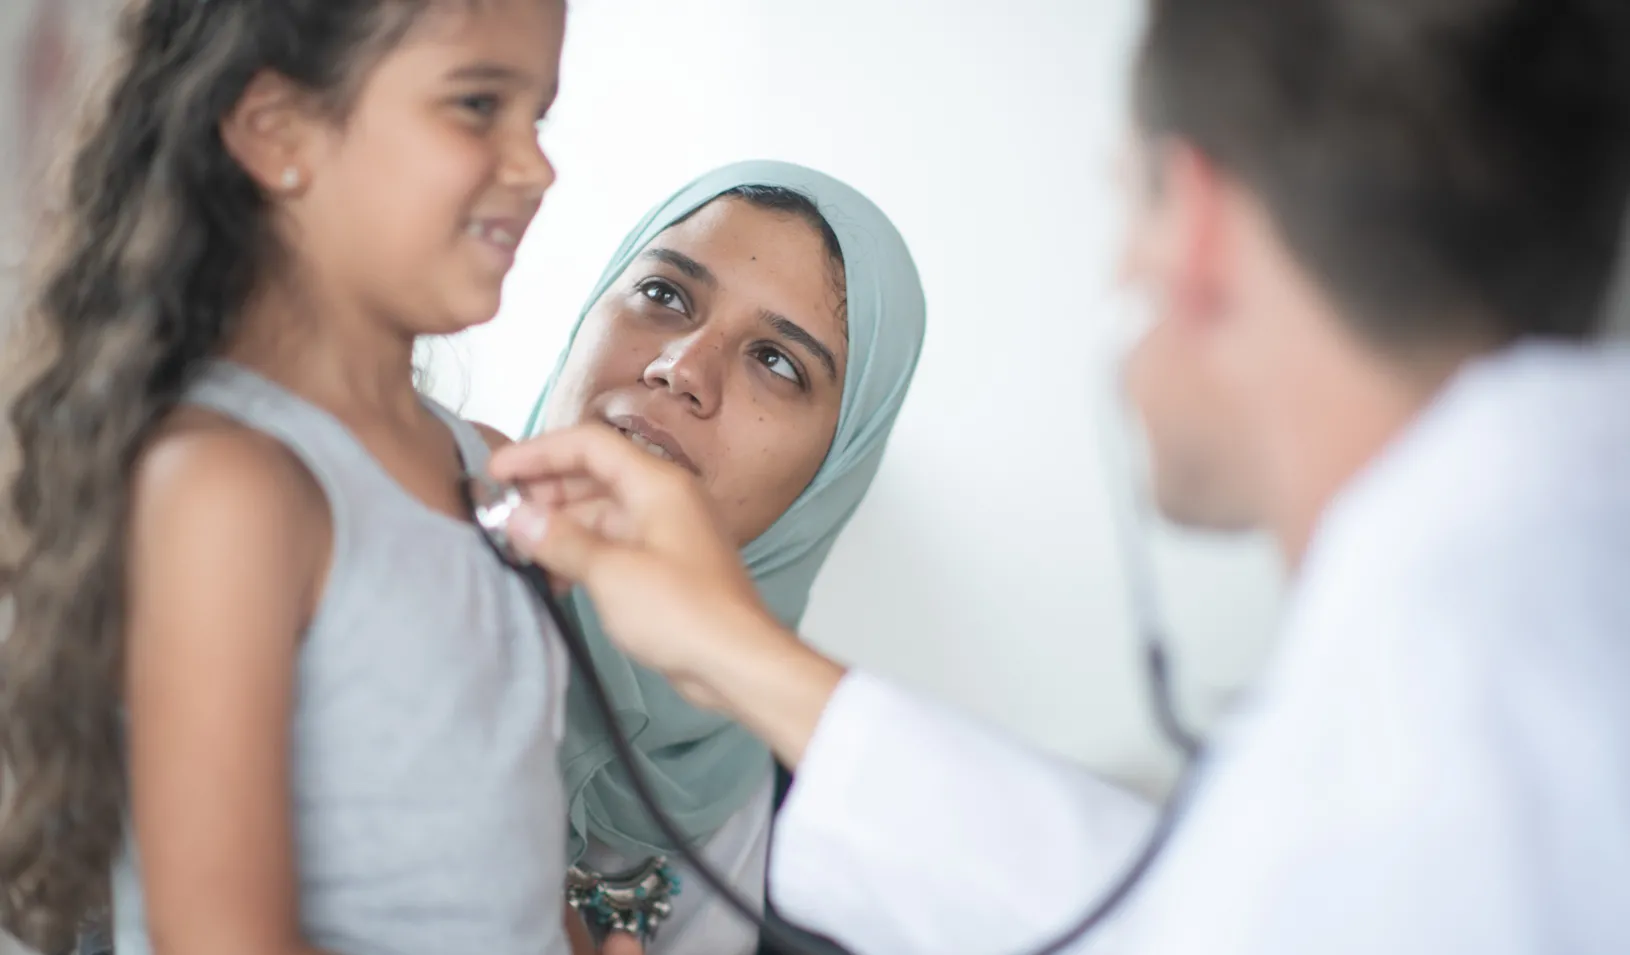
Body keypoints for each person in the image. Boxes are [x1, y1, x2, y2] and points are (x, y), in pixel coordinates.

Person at [484, 0, 1630, 952]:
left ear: (1194, 228)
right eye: (665, 294)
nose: (683, 371)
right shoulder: (1506, 619)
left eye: (1124, 198)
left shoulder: (1480, 693)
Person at [0, 2, 573, 955]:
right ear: (277, 133)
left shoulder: (480, 465)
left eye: (539, 116)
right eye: (478, 105)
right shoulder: (229, 490)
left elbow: (507, 836)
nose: (535, 165)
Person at [524, 161, 924, 955]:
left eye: (777, 360)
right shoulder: (357, 573)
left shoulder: (829, 853)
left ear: (833, 475)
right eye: (665, 295)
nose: (682, 368)